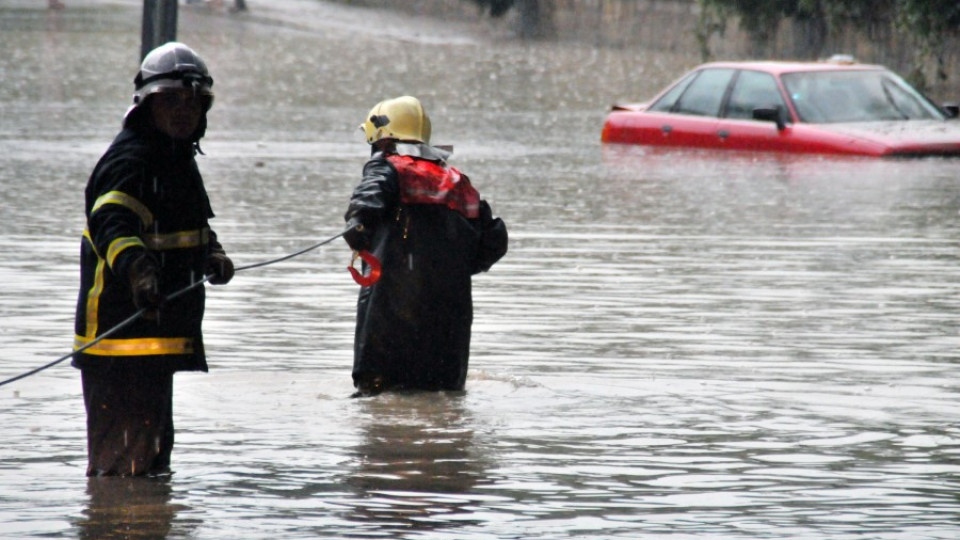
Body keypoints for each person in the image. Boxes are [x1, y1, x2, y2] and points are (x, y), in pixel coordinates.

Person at [73, 42, 234, 476]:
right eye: (172, 100)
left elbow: (181, 220)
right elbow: (112, 224)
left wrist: (211, 252)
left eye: (194, 102)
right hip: (120, 338)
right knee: (123, 471)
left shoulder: (175, 157)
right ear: (148, 105)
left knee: (149, 467)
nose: (185, 110)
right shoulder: (132, 159)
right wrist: (140, 272)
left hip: (155, 339)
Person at [343, 96, 508, 397]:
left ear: (381, 137)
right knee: (442, 398)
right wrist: (451, 268)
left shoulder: (386, 167)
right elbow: (494, 241)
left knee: (378, 399)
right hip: (448, 328)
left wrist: (357, 229)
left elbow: (365, 207)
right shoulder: (458, 181)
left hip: (390, 316)